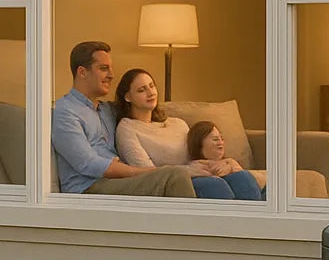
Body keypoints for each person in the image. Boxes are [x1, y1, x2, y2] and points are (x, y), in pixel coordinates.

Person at [51, 41, 195, 198]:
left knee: (204, 182)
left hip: (115, 182)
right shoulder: (65, 111)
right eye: (104, 68)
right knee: (174, 176)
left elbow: (140, 109)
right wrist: (147, 172)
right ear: (82, 72)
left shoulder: (108, 110)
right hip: (89, 189)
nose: (112, 75)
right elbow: (87, 164)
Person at [113, 68, 263, 201]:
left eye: (152, 86)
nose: (150, 92)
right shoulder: (127, 128)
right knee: (213, 184)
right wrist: (187, 171)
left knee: (242, 177)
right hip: (178, 183)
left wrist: (226, 163)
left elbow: (199, 155)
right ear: (127, 97)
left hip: (201, 173)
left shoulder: (177, 123)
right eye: (141, 90)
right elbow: (145, 172)